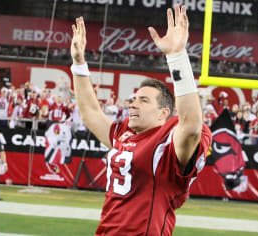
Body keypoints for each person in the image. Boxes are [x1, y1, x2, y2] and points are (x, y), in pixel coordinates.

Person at [70, 5, 212, 235]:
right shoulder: (124, 134)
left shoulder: (167, 144)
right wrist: (78, 63)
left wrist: (176, 57)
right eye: (133, 99)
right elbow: (90, 112)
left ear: (163, 113)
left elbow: (192, 126)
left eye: (143, 100)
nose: (133, 104)